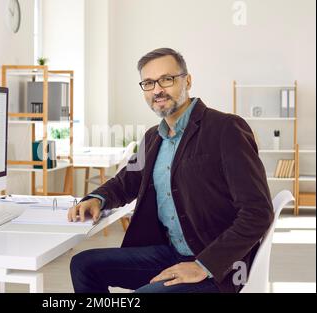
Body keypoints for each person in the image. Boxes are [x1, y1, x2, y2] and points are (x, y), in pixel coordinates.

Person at [68, 48, 274, 293]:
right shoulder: (153, 137)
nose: (157, 90)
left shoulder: (225, 129)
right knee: (83, 265)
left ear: (187, 80)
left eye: (167, 79)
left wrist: (203, 265)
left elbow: (258, 212)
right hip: (172, 254)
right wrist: (97, 198)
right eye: (148, 83)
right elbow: (127, 181)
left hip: (219, 266)